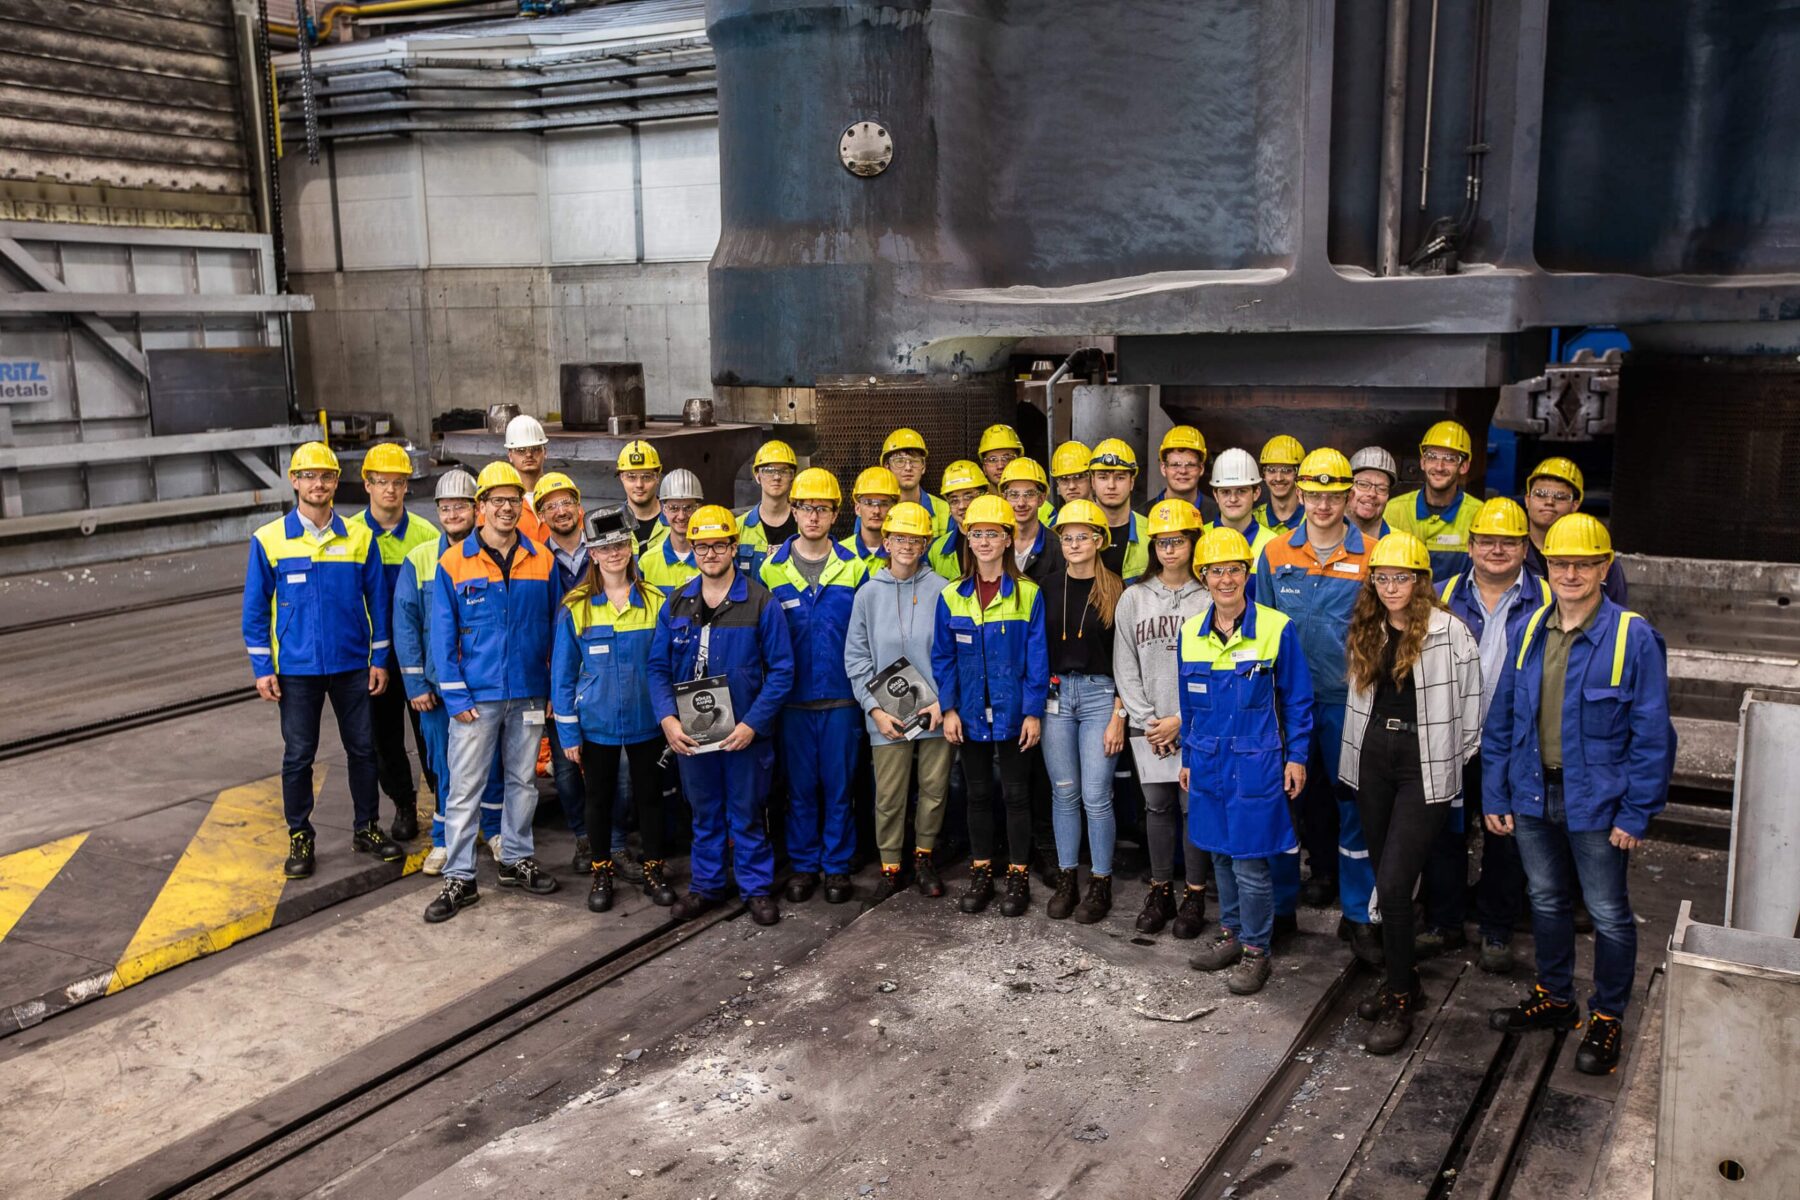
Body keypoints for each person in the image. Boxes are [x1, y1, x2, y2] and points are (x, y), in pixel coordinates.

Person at [1484, 513, 1673, 1076]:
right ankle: (1556, 998)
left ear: (1603, 568)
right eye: (1561, 563)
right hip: (1533, 795)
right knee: (1545, 901)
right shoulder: (1528, 631)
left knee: (1610, 914)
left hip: (1599, 803)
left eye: (1583, 564)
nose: (1570, 573)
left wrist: (1637, 812)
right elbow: (1502, 719)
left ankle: (1608, 1015)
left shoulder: (1632, 637)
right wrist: (1496, 792)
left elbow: (1654, 734)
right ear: (1547, 566)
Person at [1339, 531, 1483, 1054]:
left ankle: (1400, 994)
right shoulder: (1368, 628)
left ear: (1421, 580)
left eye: (1402, 577)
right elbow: (1359, 701)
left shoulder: (1449, 632)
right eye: (1382, 577)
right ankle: (1408, 984)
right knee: (1386, 879)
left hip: (1424, 768)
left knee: (1397, 884)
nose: (1392, 586)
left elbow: (1473, 709)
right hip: (1373, 763)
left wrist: (1448, 759)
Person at [243, 441, 404, 880]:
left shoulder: (359, 538)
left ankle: (366, 827)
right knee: (298, 755)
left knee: (363, 750)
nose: (318, 483)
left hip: (352, 665)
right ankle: (300, 834)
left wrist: (380, 659)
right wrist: (263, 669)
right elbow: (255, 612)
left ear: (336, 482)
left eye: (327, 476)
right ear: (294, 481)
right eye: (309, 476)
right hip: (296, 671)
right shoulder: (269, 541)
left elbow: (379, 603)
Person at [423, 462, 562, 923]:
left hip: (526, 693)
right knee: (465, 789)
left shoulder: (542, 559)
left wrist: (548, 690)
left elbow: (557, 629)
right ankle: (460, 878)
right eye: (495, 500)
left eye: (512, 500)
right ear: (480, 507)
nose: (505, 507)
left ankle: (515, 858)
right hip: (475, 700)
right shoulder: (453, 562)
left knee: (524, 783)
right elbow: (441, 638)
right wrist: (456, 697)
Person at [1256, 447, 1380, 962]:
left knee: (1356, 808)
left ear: (1348, 496)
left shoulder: (1374, 555)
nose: (1324, 505)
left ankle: (1359, 917)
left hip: (1349, 702)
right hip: (1287, 706)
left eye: (1334, 495)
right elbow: (1259, 629)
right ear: (1301, 495)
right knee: (1283, 808)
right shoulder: (1275, 554)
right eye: (1315, 494)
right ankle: (1281, 910)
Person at [648, 505, 796, 927]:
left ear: (734, 547)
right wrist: (668, 720)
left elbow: (783, 671)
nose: (710, 553)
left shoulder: (760, 602)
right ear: (692, 548)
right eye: (701, 546)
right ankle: (707, 886)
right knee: (706, 811)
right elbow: (657, 667)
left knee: (748, 811)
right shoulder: (677, 603)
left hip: (744, 734)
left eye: (718, 545)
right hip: (694, 734)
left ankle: (755, 889)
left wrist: (753, 724)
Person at [1183, 526, 1314, 996]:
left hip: (1258, 762)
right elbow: (1190, 703)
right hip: (1209, 761)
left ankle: (1257, 950)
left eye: (1233, 570)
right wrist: (1188, 758)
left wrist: (1296, 757)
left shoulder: (1277, 628)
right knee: (1219, 852)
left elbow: (1298, 700)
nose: (1224, 579)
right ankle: (1232, 935)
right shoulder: (1189, 634)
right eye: (1215, 571)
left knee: (1251, 862)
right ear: (1203, 577)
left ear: (1246, 574)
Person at [1429, 496, 1549, 971]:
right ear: (1471, 544)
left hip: (1512, 743)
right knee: (1443, 835)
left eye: (1508, 542)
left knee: (1507, 836)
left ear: (1524, 548)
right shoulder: (1442, 593)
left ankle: (1497, 932)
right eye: (1487, 541)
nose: (1496, 549)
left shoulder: (1546, 599)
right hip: (1450, 737)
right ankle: (1444, 923)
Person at [551, 507, 675, 913]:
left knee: (650, 798)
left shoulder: (656, 602)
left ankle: (654, 867)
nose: (614, 552)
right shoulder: (577, 606)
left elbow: (668, 666)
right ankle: (601, 868)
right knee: (598, 800)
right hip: (597, 725)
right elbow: (563, 677)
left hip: (647, 722)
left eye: (621, 544)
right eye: (605, 547)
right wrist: (568, 733)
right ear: (592, 553)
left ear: (631, 547)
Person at [933, 494, 1050, 917]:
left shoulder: (1028, 595)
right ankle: (982, 870)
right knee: (978, 794)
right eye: (977, 533)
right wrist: (948, 708)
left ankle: (1017, 874)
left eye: (993, 534)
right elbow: (942, 657)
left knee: (1017, 796)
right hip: (967, 713)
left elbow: (1037, 659)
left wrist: (1033, 711)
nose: (984, 541)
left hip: (1014, 711)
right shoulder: (951, 596)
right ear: (968, 538)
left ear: (1007, 539)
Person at [760, 468, 869, 905]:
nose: (812, 516)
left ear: (836, 514)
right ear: (794, 511)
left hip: (843, 699)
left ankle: (837, 867)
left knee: (840, 788)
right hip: (793, 703)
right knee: (801, 790)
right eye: (805, 507)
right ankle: (805, 866)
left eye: (822, 509)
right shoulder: (772, 570)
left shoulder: (855, 568)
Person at [394, 469, 503, 875]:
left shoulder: (491, 555)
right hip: (438, 689)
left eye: (460, 505)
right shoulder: (420, 558)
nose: (452, 513)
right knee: (443, 763)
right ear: (437, 511)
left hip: (483, 683)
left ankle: (493, 830)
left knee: (489, 762)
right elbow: (405, 623)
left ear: (476, 510)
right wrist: (417, 682)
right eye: (445, 507)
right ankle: (443, 839)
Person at [1114, 498, 1213, 937]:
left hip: (1194, 726)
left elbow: (1214, 667)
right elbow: (1125, 664)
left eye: (1178, 541)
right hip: (1149, 728)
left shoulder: (1210, 598)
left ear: (1193, 543)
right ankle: (1160, 891)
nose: (1169, 550)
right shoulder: (1133, 598)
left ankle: (1194, 894)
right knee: (1157, 807)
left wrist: (1180, 720)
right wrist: (1149, 720)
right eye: (1162, 542)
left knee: (1194, 809)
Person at [844, 500, 952, 901]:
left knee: (934, 788)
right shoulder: (868, 595)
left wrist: (942, 703)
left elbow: (951, 652)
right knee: (888, 795)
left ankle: (924, 857)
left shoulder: (943, 590)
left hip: (934, 713)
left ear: (926, 543)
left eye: (916, 538)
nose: (907, 545)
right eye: (899, 537)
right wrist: (873, 709)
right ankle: (891, 866)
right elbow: (856, 658)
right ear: (885, 541)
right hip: (886, 715)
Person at [1039, 501, 1127, 924]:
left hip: (1099, 696)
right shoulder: (1047, 586)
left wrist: (1119, 713)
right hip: (1056, 697)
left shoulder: (1115, 588)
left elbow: (1126, 658)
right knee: (1064, 792)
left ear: (1098, 541)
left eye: (1083, 537)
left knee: (1096, 795)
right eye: (1067, 537)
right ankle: (1067, 878)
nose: (1075, 544)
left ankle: (1101, 882)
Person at [348, 442, 438, 843]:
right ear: (366, 484)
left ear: (407, 486)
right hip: (374, 661)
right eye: (381, 482)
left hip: (419, 656)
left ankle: (444, 801)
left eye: (398, 482)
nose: (390, 490)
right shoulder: (348, 535)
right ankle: (403, 803)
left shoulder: (426, 535)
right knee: (384, 737)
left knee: (431, 733)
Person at [534, 471, 597, 870]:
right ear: (540, 515)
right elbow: (531, 629)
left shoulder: (605, 550)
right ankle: (584, 838)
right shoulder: (536, 562)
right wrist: (547, 690)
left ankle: (616, 834)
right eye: (549, 506)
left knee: (615, 764)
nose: (560, 511)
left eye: (565, 502)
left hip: (603, 673)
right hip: (560, 677)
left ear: (579, 506)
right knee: (565, 766)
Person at [1385, 420, 1482, 581]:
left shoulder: (1478, 515)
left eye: (1450, 459)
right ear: (1423, 462)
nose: (1439, 466)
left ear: (1464, 466)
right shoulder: (1394, 511)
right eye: (1432, 457)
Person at [1521, 456, 1628, 603]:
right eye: (1540, 494)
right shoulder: (1509, 554)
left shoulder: (1598, 556)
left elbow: (1617, 611)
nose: (1549, 502)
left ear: (1575, 505)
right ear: (1527, 500)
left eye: (1560, 497)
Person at [1088, 438, 1150, 582]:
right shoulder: (1078, 532)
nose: (1111, 485)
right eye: (1103, 477)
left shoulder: (1150, 533)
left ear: (1132, 482)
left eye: (1120, 477)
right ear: (1093, 482)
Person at [1205, 448, 1279, 565]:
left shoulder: (1273, 544)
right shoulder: (1199, 538)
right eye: (1225, 492)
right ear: (1215, 495)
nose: (1233, 499)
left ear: (1256, 493)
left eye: (1241, 491)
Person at [736, 439, 798, 574]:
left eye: (784, 471)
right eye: (769, 470)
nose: (776, 477)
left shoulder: (803, 524)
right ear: (757, 476)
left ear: (792, 477)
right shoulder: (739, 527)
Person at [1000, 458, 1063, 583]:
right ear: (1004, 498)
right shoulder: (995, 544)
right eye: (1014, 494)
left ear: (1041, 498)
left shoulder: (1058, 548)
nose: (1021, 503)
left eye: (1029, 494)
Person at [639, 468, 703, 590]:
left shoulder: (711, 560)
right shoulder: (647, 562)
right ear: (664, 509)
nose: (681, 516)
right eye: (674, 508)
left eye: (688, 508)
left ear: (699, 509)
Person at [881, 428, 951, 536]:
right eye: (900, 461)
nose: (908, 467)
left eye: (914, 461)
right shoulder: (876, 511)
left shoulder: (945, 510)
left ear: (923, 467)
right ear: (887, 467)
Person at [928, 459, 988, 580]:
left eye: (968, 497)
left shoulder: (999, 540)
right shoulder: (938, 548)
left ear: (984, 496)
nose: (962, 506)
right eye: (954, 500)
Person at [501, 414, 552, 546]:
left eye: (535, 449)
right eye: (520, 450)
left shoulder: (561, 493)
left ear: (544, 452)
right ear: (510, 455)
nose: (529, 454)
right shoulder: (499, 503)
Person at [841, 465, 900, 570]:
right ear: (857, 508)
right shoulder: (839, 553)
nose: (876, 511)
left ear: (894, 508)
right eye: (869, 503)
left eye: (884, 503)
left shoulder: (903, 553)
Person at [1151, 425, 1212, 520]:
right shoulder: (1142, 516)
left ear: (1201, 468)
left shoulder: (1218, 515)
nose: (1183, 471)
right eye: (1175, 464)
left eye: (1190, 464)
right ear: (1163, 468)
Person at [615, 440, 665, 547]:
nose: (639, 484)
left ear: (658, 477)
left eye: (646, 477)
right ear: (621, 478)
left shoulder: (676, 521)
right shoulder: (612, 524)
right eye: (631, 477)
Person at [1254, 435, 1306, 532]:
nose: (1278, 478)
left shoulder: (1313, 517)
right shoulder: (1254, 519)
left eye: (1286, 470)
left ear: (1299, 474)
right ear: (1263, 474)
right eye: (1271, 470)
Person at [1348, 446, 1398, 541]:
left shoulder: (1399, 543)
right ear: (1347, 488)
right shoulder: (1322, 535)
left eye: (1381, 488)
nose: (1372, 493)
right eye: (1363, 484)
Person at [1051, 441, 1093, 505]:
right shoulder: (1057, 515)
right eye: (1064, 479)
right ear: (1058, 484)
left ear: (1092, 479)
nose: (1072, 486)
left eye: (1078, 477)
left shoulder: (1105, 514)